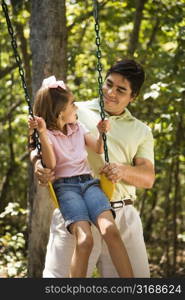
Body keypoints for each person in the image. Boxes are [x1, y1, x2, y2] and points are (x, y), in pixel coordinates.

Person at [31, 58, 155, 278]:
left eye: (121, 90)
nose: (110, 92)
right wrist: (38, 164)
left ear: (133, 96)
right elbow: (39, 140)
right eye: (108, 84)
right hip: (74, 208)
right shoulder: (75, 110)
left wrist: (122, 170)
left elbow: (148, 178)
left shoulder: (141, 130)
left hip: (120, 213)